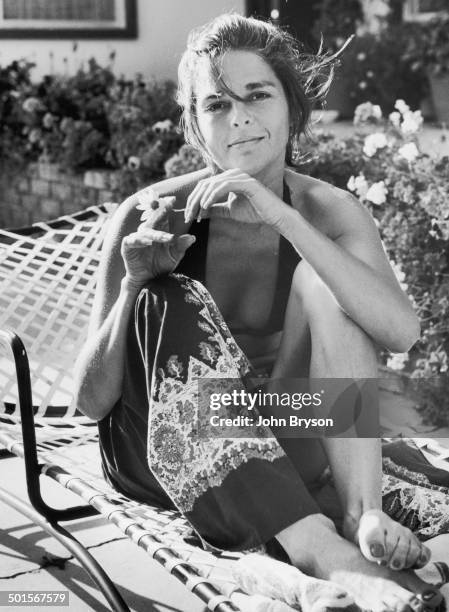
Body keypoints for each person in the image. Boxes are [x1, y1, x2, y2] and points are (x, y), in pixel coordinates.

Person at [74, 13, 449, 612]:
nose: (239, 117)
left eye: (257, 95)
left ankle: (362, 514)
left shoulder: (328, 210)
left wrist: (282, 216)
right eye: (216, 104)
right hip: (165, 448)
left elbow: (400, 330)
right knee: (167, 293)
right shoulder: (151, 212)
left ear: (292, 110)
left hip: (286, 425)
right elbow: (89, 405)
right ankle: (324, 551)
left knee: (327, 281)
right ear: (196, 124)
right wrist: (132, 290)